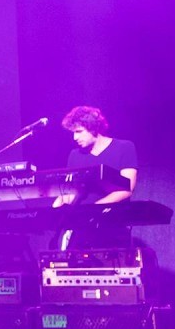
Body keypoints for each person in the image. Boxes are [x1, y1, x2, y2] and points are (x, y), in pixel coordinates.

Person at [53, 105, 138, 248]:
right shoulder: (75, 155)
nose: (75, 137)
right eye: (73, 133)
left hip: (113, 225)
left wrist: (92, 210)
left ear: (93, 128)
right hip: (80, 228)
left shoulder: (124, 148)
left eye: (79, 132)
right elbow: (71, 191)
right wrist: (58, 204)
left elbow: (126, 189)